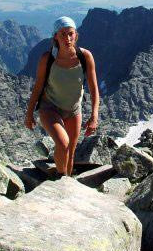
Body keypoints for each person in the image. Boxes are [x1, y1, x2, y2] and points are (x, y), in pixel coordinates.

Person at [24, 17, 99, 177]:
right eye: (63, 34)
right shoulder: (48, 59)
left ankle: (66, 181)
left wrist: (94, 116)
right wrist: (29, 113)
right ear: (56, 37)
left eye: (70, 34)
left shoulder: (85, 57)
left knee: (71, 151)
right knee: (63, 143)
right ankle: (59, 178)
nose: (67, 38)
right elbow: (38, 88)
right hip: (49, 107)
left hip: (73, 110)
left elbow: (93, 88)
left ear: (76, 35)